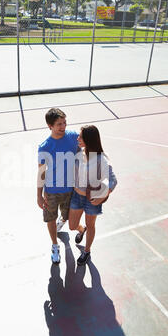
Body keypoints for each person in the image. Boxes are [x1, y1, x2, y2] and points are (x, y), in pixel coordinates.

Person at [68, 125, 117, 266]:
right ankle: (81, 230)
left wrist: (101, 197)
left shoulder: (101, 159)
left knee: (91, 224)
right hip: (77, 196)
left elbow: (113, 181)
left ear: (89, 140)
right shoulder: (78, 153)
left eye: (81, 137)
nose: (78, 138)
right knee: (72, 226)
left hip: (92, 199)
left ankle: (87, 251)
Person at [37, 108, 79, 263]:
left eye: (65, 123)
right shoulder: (45, 146)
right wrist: (39, 195)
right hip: (52, 191)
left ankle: (62, 221)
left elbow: (85, 148)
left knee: (67, 216)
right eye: (59, 124)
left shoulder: (74, 137)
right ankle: (55, 245)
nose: (63, 126)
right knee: (50, 219)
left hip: (70, 188)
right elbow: (41, 172)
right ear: (50, 126)